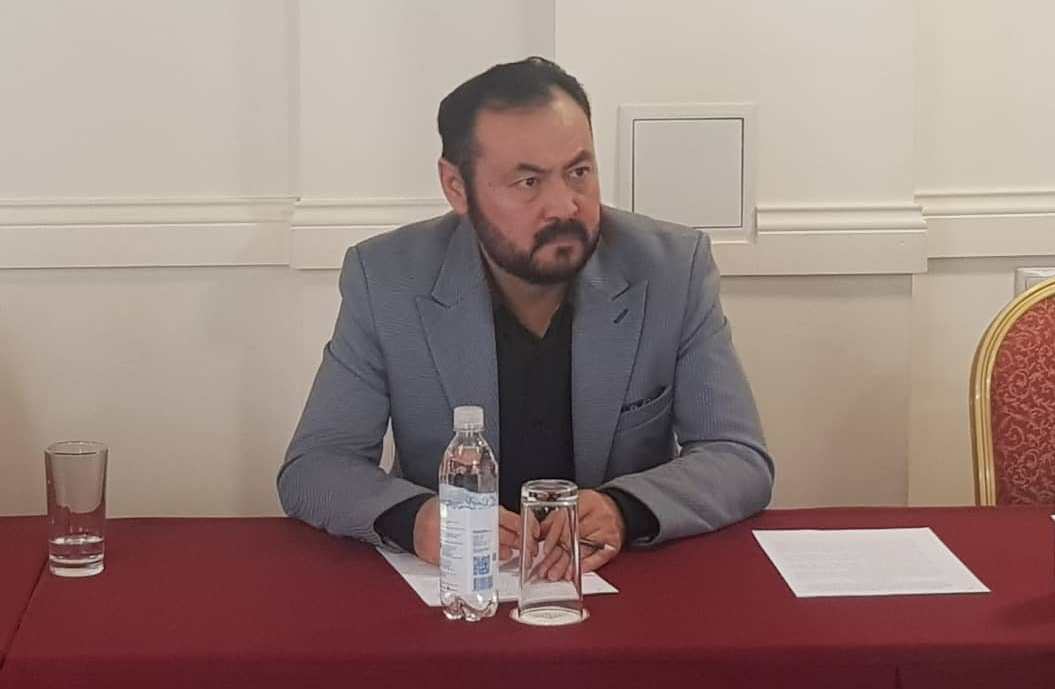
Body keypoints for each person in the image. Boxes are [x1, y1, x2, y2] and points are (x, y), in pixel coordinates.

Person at [278, 57, 773, 578]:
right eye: (528, 181)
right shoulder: (387, 279)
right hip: (460, 588)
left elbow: (738, 457)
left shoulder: (671, 269)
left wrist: (624, 509)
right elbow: (315, 466)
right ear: (456, 187)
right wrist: (418, 520)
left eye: (579, 173)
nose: (564, 206)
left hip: (620, 583)